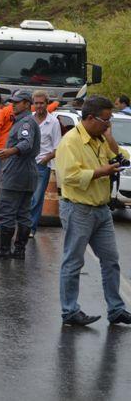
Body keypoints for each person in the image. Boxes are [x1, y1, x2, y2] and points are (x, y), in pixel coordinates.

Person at [56, 95, 131, 326]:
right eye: (106, 121)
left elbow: (123, 161)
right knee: (73, 262)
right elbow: (69, 176)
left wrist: (110, 140)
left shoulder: (100, 139)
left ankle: (116, 309)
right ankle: (70, 311)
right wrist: (101, 172)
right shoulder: (71, 142)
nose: (108, 125)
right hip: (78, 209)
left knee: (111, 261)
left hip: (101, 210)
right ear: (90, 118)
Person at [0, 90, 40, 260]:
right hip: (27, 173)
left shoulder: (26, 122)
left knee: (7, 211)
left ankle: (4, 249)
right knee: (23, 213)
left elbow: (26, 143)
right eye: (12, 102)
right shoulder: (24, 121)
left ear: (26, 103)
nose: (13, 105)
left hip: (16, 173)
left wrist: (8, 152)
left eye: (17, 102)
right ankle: (19, 250)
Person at [29, 91, 62, 236]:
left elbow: (57, 148)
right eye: (36, 103)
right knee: (25, 197)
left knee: (36, 198)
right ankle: (22, 226)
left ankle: (31, 228)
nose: (39, 106)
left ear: (47, 103)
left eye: (41, 103)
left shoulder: (53, 122)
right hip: (26, 164)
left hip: (42, 166)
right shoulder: (29, 120)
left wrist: (44, 160)